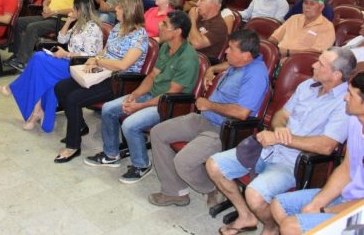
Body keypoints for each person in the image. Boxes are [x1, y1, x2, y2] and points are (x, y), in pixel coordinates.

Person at [206, 47, 355, 235]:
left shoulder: (344, 103)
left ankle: (271, 226)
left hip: (295, 163)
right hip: (270, 149)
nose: (313, 65)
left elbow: (326, 146)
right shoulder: (307, 85)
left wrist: (281, 138)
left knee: (255, 195)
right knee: (214, 165)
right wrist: (279, 129)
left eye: (321, 64)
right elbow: (281, 115)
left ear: (336, 75)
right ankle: (246, 216)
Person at [148, 29, 269, 208]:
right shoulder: (241, 63)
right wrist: (211, 69)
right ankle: (175, 192)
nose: (226, 52)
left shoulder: (256, 75)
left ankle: (215, 187)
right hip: (204, 119)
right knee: (158, 133)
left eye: (231, 49)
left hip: (224, 130)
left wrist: (209, 105)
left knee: (183, 161)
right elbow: (228, 65)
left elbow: (243, 112)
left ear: (246, 55)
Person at [85, 10, 199, 184]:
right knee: (109, 108)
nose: (160, 26)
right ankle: (111, 154)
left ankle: (141, 164)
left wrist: (139, 106)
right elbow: (152, 75)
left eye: (165, 24)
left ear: (177, 32)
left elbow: (170, 95)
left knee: (130, 124)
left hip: (170, 105)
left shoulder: (188, 58)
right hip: (151, 95)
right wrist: (135, 94)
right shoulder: (167, 47)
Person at [54, 0, 149, 163]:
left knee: (74, 98)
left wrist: (99, 61)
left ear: (128, 11)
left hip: (121, 81)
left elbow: (123, 65)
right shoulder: (117, 28)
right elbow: (106, 51)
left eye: (119, 7)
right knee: (61, 88)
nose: (115, 9)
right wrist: (94, 59)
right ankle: (79, 125)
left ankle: (72, 146)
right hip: (104, 72)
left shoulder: (140, 36)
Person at [271, 72, 364, 235]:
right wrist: (317, 203)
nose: (345, 98)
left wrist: (326, 211)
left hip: (360, 213)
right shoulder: (356, 121)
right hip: (348, 195)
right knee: (279, 205)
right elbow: (347, 167)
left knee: (291, 226)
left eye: (351, 94)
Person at [0, 0, 103, 132]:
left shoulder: (93, 28)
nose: (72, 9)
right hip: (69, 60)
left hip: (79, 66)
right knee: (39, 66)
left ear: (81, 9)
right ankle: (37, 111)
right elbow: (61, 39)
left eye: (74, 8)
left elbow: (90, 55)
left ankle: (15, 90)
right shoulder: (79, 23)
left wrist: (66, 54)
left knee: (39, 59)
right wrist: (68, 21)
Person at [6, 0, 86, 71]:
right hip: (47, 16)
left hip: (60, 21)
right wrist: (45, 6)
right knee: (19, 21)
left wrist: (55, 11)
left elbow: (76, 9)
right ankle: (16, 54)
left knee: (32, 27)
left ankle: (22, 61)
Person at [270, 0, 335, 59]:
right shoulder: (294, 18)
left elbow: (317, 53)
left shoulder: (327, 27)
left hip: (300, 63)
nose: (307, 6)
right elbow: (275, 37)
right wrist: (269, 47)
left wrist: (288, 52)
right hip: (277, 57)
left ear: (321, 7)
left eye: (312, 4)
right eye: (305, 3)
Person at [188, 0, 228, 64]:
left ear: (212, 4)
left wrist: (192, 19)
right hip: (187, 55)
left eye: (201, 0)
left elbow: (196, 43)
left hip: (200, 62)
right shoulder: (198, 16)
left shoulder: (219, 26)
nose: (197, 4)